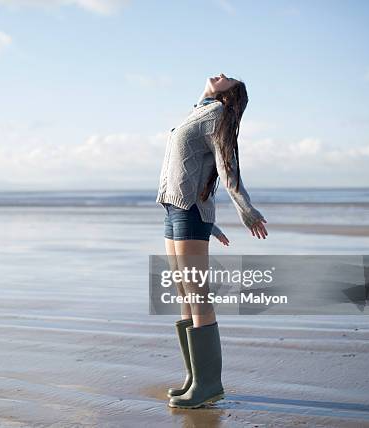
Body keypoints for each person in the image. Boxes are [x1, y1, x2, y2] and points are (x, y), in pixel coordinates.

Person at [156, 73, 268, 409]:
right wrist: (211, 224)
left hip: (189, 211)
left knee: (197, 292)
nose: (220, 74)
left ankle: (209, 384)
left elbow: (226, 168)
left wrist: (245, 210)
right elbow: (188, 169)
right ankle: (194, 378)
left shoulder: (217, 115)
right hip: (175, 209)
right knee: (182, 293)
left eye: (228, 78)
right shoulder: (197, 112)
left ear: (230, 94)